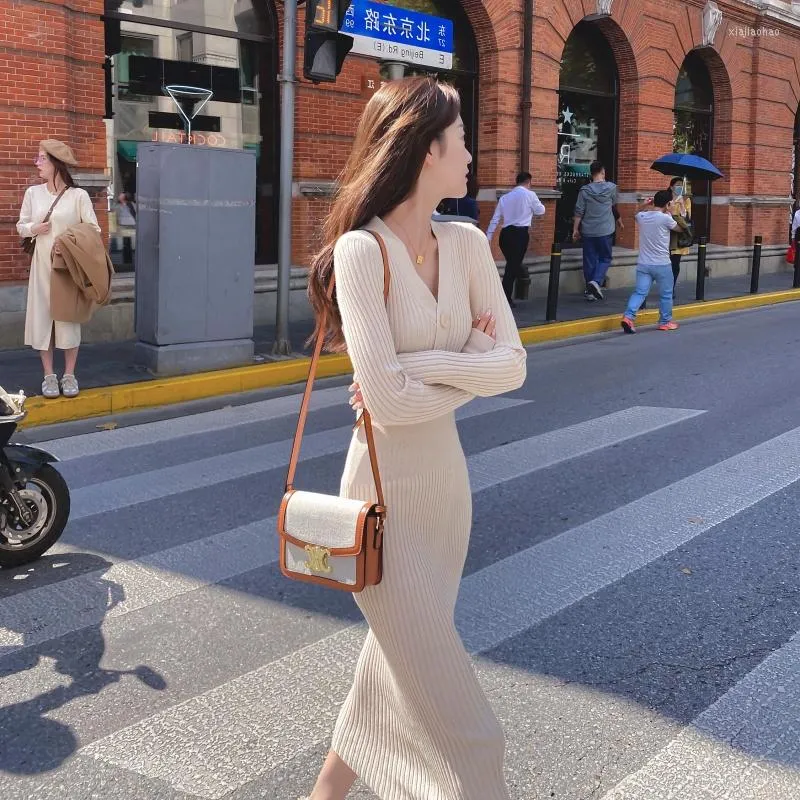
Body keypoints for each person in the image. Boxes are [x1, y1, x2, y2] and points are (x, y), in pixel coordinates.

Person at [304, 76, 526, 800]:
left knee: (393, 668)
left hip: (445, 500)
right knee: (466, 730)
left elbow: (515, 367)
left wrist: (424, 365)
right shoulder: (360, 254)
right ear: (428, 150)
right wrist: (468, 358)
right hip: (382, 502)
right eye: (463, 141)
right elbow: (391, 406)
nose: (472, 155)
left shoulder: (465, 243)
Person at [16, 140, 101, 399]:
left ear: (56, 163)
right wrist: (34, 229)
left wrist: (67, 242)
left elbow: (93, 229)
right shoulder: (33, 193)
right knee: (43, 319)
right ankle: (49, 376)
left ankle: (69, 374)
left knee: (68, 319)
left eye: (42, 159)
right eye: (38, 158)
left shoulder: (78, 196)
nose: (37, 163)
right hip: (42, 267)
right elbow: (21, 225)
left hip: (67, 268)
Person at [620, 189, 689, 334]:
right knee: (666, 294)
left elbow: (634, 214)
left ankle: (628, 317)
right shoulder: (665, 219)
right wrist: (672, 211)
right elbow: (680, 228)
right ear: (667, 203)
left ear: (653, 201)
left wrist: (644, 205)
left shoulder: (643, 216)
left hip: (643, 263)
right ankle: (664, 322)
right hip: (662, 264)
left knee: (639, 292)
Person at [486, 171, 545, 308]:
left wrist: (488, 236)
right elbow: (541, 210)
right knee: (512, 267)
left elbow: (495, 219)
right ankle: (504, 298)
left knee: (512, 264)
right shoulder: (530, 195)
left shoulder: (505, 198)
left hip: (505, 235)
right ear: (529, 182)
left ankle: (512, 288)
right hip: (520, 234)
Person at [571, 161, 623, 301]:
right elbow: (613, 205)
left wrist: (575, 229)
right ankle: (596, 281)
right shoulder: (612, 188)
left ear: (591, 173)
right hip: (605, 229)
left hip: (588, 230)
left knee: (589, 260)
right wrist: (618, 220)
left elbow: (579, 211)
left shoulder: (584, 190)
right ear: (602, 172)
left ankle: (589, 291)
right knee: (605, 258)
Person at [667, 177, 692, 290]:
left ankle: (671, 287)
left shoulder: (686, 200)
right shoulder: (666, 198)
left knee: (675, 263)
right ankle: (666, 286)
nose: (680, 187)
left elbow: (687, 219)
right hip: (666, 234)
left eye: (681, 185)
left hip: (678, 236)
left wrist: (682, 206)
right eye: (677, 185)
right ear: (671, 187)